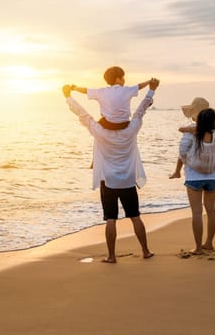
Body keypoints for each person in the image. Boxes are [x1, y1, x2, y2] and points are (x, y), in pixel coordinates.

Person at [62, 78, 160, 263]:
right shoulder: (131, 129)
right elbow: (141, 110)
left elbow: (82, 113)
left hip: (108, 181)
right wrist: (152, 90)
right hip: (128, 180)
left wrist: (68, 96)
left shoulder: (99, 130)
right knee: (135, 216)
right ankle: (146, 251)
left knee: (111, 219)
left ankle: (112, 256)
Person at [179, 88, 215, 255]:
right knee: (211, 210)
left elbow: (182, 152)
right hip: (213, 177)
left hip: (194, 178)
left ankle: (198, 247)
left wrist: (188, 161)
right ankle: (209, 243)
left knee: (196, 212)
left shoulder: (192, 132)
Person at [70, 66, 153, 130]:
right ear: (118, 79)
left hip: (108, 125)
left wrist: (75, 88)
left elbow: (86, 90)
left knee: (99, 121)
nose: (124, 80)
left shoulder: (101, 92)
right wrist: (149, 82)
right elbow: (139, 86)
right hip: (123, 125)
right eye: (123, 77)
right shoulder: (127, 90)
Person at [169, 97, 209, 179]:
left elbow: (183, 150)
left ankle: (177, 171)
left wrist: (185, 129)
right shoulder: (211, 126)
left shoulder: (194, 128)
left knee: (183, 150)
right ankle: (177, 172)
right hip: (208, 165)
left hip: (194, 172)